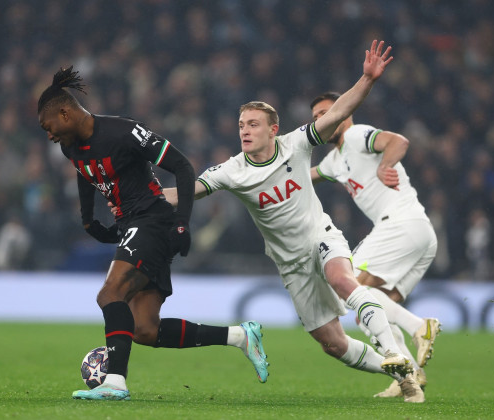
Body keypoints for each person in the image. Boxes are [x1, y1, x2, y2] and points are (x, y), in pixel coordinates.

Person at [158, 41, 424, 403]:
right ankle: (401, 371)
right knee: (332, 343)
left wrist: (367, 79)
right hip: (291, 263)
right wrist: (146, 197)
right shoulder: (232, 171)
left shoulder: (296, 144)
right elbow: (189, 191)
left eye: (253, 124)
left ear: (273, 129)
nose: (245, 131)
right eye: (241, 125)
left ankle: (395, 350)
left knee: (342, 279)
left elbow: (337, 112)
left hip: (321, 237)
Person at [37, 66, 268, 402]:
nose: (49, 135)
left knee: (109, 293)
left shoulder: (124, 132)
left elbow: (183, 166)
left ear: (65, 112)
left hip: (151, 221)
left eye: (49, 127)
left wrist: (182, 222)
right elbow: (84, 172)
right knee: (145, 329)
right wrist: (88, 220)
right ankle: (240, 336)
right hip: (132, 226)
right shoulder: (70, 146)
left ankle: (115, 382)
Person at [310, 91, 440, 398]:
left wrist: (386, 165)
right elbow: (306, 176)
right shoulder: (334, 160)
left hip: (400, 223)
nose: (321, 120)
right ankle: (408, 374)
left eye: (326, 112)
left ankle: (420, 326)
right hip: (419, 233)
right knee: (370, 309)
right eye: (315, 117)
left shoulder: (356, 135)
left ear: (344, 111)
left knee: (350, 287)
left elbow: (399, 142)